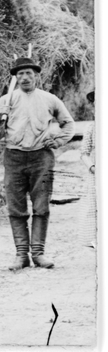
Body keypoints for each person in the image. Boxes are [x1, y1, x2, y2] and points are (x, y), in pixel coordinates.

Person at [0, 53, 75, 270]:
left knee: (41, 206)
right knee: (16, 208)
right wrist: (1, 121)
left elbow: (68, 124)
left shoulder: (49, 99)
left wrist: (57, 141)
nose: (25, 77)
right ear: (15, 78)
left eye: (28, 73)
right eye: (20, 74)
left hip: (41, 158)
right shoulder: (5, 101)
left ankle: (38, 253)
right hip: (14, 157)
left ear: (36, 75)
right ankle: (21, 255)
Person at [79, 91, 95, 250]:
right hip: (96, 174)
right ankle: (94, 238)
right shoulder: (91, 127)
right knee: (93, 204)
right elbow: (84, 153)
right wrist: (92, 167)